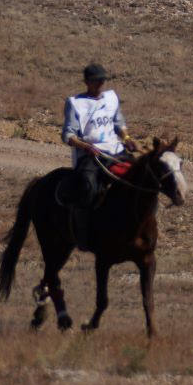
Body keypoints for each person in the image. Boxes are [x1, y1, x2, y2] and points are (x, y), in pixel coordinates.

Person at [62, 63, 136, 252]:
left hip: (115, 150)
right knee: (88, 186)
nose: (101, 84)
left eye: (103, 80)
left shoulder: (111, 98)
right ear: (87, 82)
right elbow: (68, 135)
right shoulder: (75, 103)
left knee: (141, 174)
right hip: (91, 155)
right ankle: (83, 233)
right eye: (96, 81)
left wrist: (127, 138)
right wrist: (85, 146)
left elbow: (118, 123)